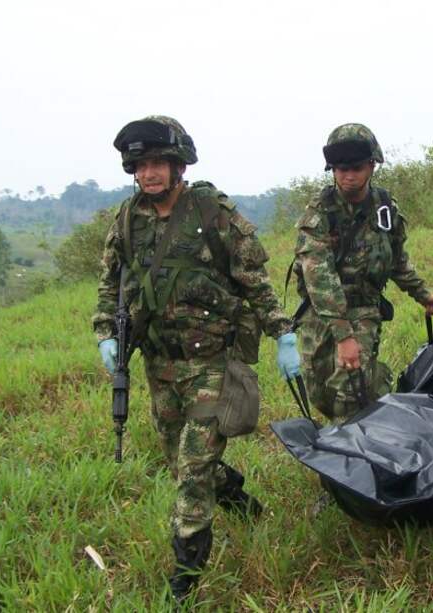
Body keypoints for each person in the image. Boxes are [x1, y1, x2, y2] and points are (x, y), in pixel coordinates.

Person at [93, 115, 301, 602]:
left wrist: (282, 333)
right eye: (141, 165)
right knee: (179, 460)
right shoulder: (126, 220)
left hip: (211, 362)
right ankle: (238, 498)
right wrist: (106, 333)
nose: (150, 173)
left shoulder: (212, 212)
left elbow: (254, 280)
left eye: (159, 163)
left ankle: (184, 579)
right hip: (158, 365)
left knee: (192, 469)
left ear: (179, 163)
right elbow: (110, 285)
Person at [292, 123, 433, 421]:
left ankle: (354, 454)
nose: (348, 176)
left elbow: (396, 258)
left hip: (362, 309)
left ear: (372, 166)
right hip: (321, 313)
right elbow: (319, 278)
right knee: (321, 391)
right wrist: (340, 333)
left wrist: (422, 294)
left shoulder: (385, 209)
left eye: (356, 168)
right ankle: (367, 417)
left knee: (350, 393)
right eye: (340, 168)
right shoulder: (320, 212)